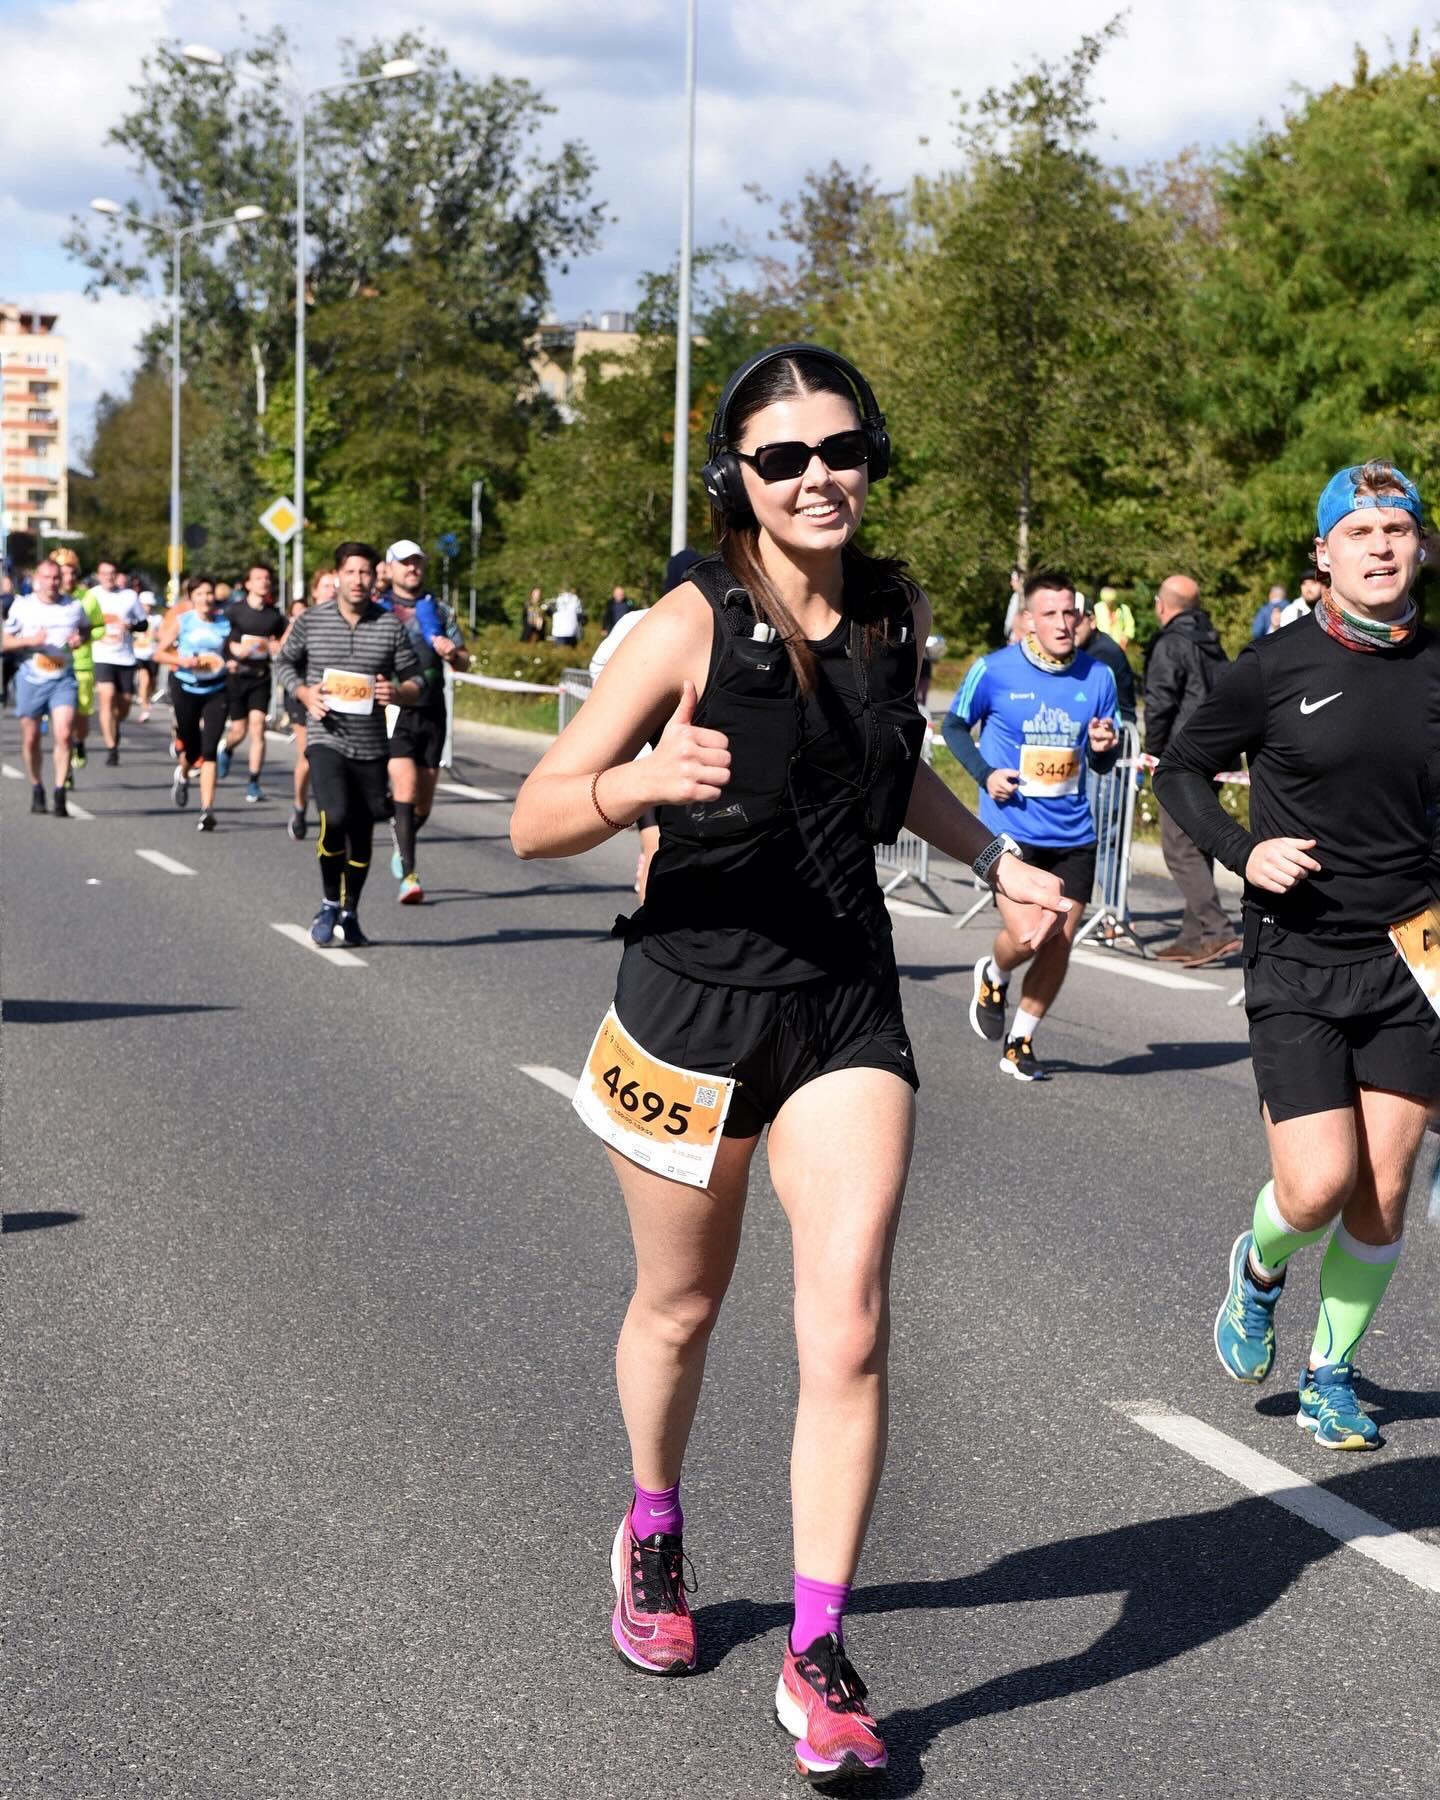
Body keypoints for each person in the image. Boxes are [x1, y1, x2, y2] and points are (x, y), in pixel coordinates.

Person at [510, 343, 1068, 1784]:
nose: (818, 477)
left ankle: (818, 1651)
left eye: (842, 449)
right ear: (737, 479)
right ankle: (652, 1525)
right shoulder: (686, 622)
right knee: (682, 1304)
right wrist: (636, 782)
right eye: (782, 457)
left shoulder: (892, 613)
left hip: (842, 1004)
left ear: (872, 458)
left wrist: (997, 858)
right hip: (690, 1007)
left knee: (851, 1320)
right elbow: (536, 816)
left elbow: (889, 771)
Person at [1156, 461, 1440, 1452]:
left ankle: (1332, 1374)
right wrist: (1244, 852)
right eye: (1359, 531)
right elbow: (1181, 770)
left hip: (1412, 955)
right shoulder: (1274, 666)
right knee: (1318, 1186)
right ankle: (1261, 1266)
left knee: (1383, 1193)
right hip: (1297, 950)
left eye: (1397, 529)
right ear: (1324, 553)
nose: (1380, 546)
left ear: (1422, 547)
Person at [944, 569, 1121, 1081]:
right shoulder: (993, 670)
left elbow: (1100, 758)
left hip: (1074, 833)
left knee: (1059, 940)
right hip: (1012, 831)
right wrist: (985, 773)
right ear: (1028, 619)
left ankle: (1020, 1040)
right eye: (1051, 614)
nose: (1063, 623)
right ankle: (995, 972)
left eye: (1070, 612)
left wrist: (1104, 748)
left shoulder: (1099, 676)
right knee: (1028, 935)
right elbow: (954, 725)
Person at [276, 541, 424, 947]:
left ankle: (350, 911)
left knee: (361, 834)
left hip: (372, 745)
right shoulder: (312, 620)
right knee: (335, 817)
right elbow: (284, 662)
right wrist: (304, 693)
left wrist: (398, 692)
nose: (358, 580)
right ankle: (328, 902)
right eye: (351, 572)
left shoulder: (389, 626)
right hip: (326, 738)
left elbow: (417, 679)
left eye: (365, 573)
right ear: (338, 575)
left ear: (375, 577)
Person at [1143, 575, 1241, 965]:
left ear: (1162, 604)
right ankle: (1192, 935)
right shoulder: (1212, 642)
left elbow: (1160, 702)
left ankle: (1217, 930)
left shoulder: (1170, 642)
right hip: (1215, 755)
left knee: (1179, 846)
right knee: (1198, 841)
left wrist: (1153, 752)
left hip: (1181, 757)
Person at [380, 538, 470, 903]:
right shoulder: (378, 609)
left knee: (423, 803)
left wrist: (453, 655)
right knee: (404, 789)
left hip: (432, 709)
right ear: (389, 568)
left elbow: (464, 661)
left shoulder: (440, 609)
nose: (412, 568)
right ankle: (410, 876)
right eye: (404, 562)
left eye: (417, 562)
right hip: (393, 710)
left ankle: (402, 837)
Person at [2, 558, 91, 815]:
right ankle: (37, 786)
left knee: (63, 733)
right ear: (37, 579)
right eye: (47, 577)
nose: (52, 583)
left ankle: (60, 792)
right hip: (31, 678)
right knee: (31, 739)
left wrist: (79, 638)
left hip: (63, 679)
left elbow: (85, 629)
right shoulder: (23, 606)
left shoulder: (73, 606)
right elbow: (5, 642)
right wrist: (31, 641)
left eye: (56, 578)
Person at [155, 575, 230, 831]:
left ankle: (207, 810)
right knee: (191, 745)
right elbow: (159, 653)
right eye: (200, 594)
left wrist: (232, 661)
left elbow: (231, 651)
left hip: (216, 689)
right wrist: (182, 661)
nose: (205, 599)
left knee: (209, 750)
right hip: (186, 686)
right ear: (191, 597)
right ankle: (184, 773)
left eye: (209, 593)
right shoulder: (183, 621)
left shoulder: (224, 623)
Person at [218, 563, 285, 802]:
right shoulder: (234, 611)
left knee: (258, 727)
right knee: (239, 730)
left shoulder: (274, 615)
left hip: (260, 677)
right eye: (258, 578)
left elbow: (284, 639)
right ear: (248, 583)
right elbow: (221, 640)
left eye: (267, 578)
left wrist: (276, 646)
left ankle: (254, 782)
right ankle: (227, 748)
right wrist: (231, 655)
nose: (264, 582)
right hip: (237, 676)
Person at [282, 570, 335, 840]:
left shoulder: (350, 620)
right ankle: (300, 806)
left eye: (335, 585)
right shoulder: (305, 620)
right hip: (303, 695)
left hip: (335, 697)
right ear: (314, 591)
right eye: (326, 586)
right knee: (308, 756)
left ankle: (334, 816)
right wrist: (302, 690)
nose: (331, 590)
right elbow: (283, 657)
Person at [90, 558, 148, 764]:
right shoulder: (92, 595)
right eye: (104, 573)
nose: (108, 577)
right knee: (106, 698)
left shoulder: (129, 596)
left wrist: (130, 626)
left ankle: (115, 725)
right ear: (98, 576)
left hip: (125, 657)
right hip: (102, 655)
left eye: (112, 573)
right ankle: (111, 747)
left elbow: (143, 624)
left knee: (124, 705)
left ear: (117, 575)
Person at [1074, 595, 1136, 723]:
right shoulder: (1079, 648)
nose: (1069, 625)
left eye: (1077, 619)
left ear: (1092, 621)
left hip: (1112, 728)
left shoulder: (1103, 653)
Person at [1271, 565, 1323, 631]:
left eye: (1313, 583)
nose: (1308, 588)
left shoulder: (1330, 610)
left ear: (1323, 586)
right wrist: (1276, 627)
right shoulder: (1290, 612)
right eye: (1304, 583)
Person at [1092, 585, 1135, 650]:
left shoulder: (1123, 608)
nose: (1110, 604)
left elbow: (1130, 625)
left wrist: (1126, 637)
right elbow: (1092, 625)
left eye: (1112, 601)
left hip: (1118, 646)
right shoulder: (1097, 608)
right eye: (1107, 602)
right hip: (1101, 646)